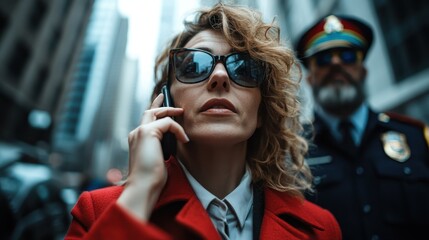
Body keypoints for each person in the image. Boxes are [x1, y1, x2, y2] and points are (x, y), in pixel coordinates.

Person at [65, 3, 341, 240]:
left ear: (261, 111)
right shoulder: (96, 212)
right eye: (194, 65)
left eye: (243, 68)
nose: (219, 76)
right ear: (165, 100)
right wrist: (141, 191)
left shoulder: (320, 228)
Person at [295, 14, 429, 240]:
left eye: (348, 56)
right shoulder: (292, 152)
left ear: (363, 69)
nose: (336, 64)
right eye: (323, 59)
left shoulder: (416, 138)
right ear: (309, 78)